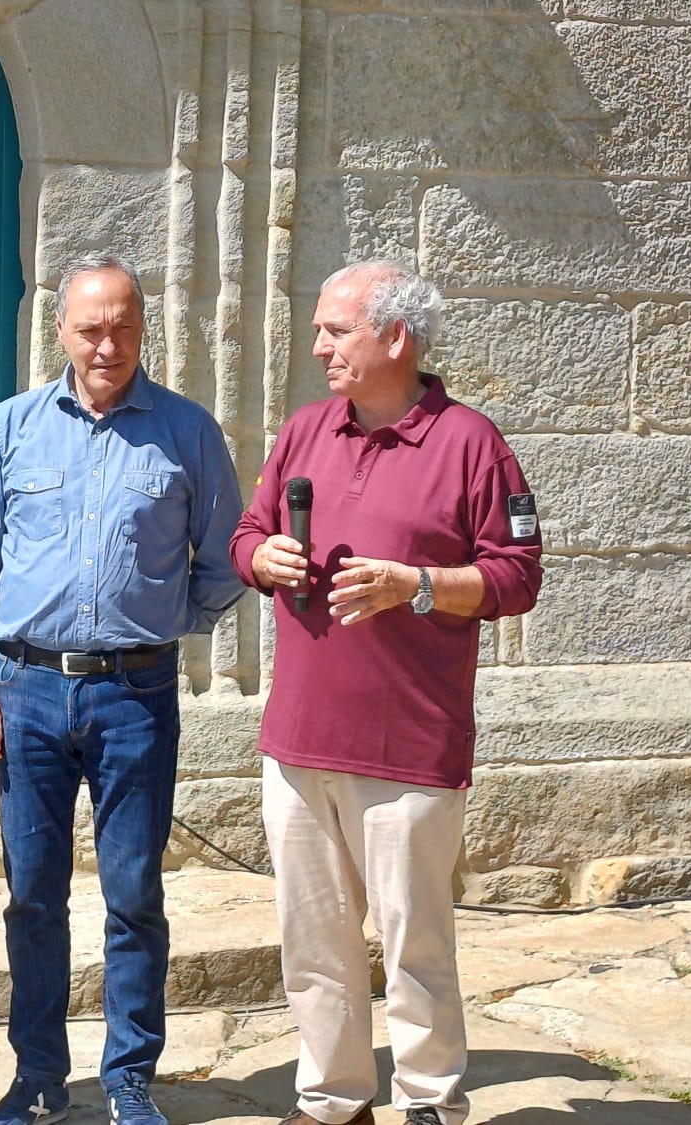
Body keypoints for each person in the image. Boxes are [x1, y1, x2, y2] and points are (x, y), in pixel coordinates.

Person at [231, 261, 543, 1125]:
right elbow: (249, 532)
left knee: (415, 949)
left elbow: (517, 577)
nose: (319, 344)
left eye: (337, 329)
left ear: (395, 338)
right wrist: (261, 558)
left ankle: (430, 1105)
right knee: (316, 946)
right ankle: (333, 1103)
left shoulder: (473, 444)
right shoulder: (303, 433)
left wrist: (417, 584)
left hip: (409, 748)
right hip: (299, 742)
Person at [0, 253, 245, 1125]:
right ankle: (38, 1075)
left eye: (121, 325)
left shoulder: (188, 432)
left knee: (133, 891)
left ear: (143, 328)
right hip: (29, 691)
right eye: (90, 327)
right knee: (32, 893)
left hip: (135, 696)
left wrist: (164, 622)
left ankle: (129, 1078)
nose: (106, 343)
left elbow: (226, 558)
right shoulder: (10, 427)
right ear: (61, 331)